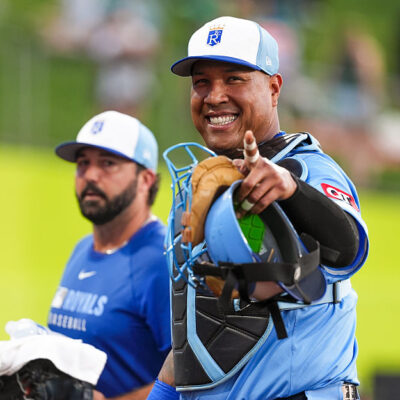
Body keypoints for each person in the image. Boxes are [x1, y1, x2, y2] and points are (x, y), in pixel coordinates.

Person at [147, 16, 369, 400]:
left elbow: (347, 250)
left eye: (234, 79)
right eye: (202, 82)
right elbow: (194, 326)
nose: (214, 96)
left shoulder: (305, 168)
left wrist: (291, 190)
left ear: (274, 87)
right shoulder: (201, 183)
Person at [48, 110, 171, 399]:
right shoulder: (82, 249)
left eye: (107, 163)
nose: (90, 175)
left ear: (145, 179)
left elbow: (194, 376)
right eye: (83, 163)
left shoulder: (162, 259)